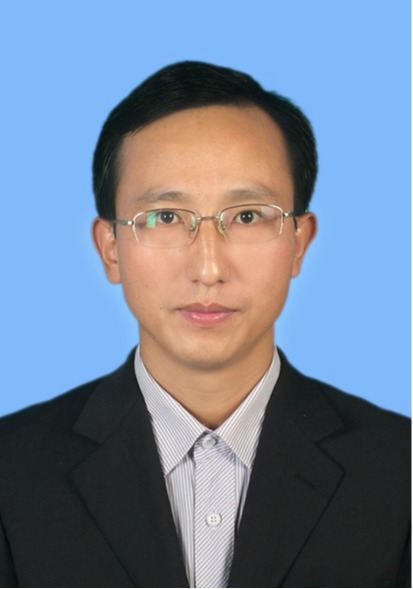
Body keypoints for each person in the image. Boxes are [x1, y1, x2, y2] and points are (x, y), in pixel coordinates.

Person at [0, 61, 409, 589]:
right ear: (110, 249)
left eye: (247, 216)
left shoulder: (400, 470)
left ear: (298, 243)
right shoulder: (11, 470)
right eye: (165, 217)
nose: (209, 269)